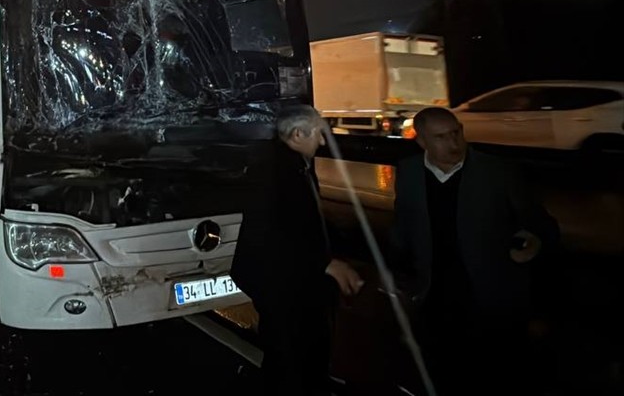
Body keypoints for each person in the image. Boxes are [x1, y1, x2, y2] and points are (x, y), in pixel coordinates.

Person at [392, 107, 557, 395]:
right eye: (441, 137)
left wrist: (535, 241)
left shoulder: (496, 172)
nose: (454, 144)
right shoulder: (409, 172)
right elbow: (404, 226)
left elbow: (541, 225)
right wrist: (402, 279)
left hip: (488, 299)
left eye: (457, 133)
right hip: (435, 297)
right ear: (422, 142)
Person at [231, 104, 363, 395]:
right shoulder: (274, 172)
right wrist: (323, 264)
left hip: (292, 284)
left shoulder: (294, 165)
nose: (323, 142)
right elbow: (270, 234)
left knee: (298, 359)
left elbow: (304, 223)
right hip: (280, 286)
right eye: (319, 133)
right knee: (290, 363)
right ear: (298, 134)